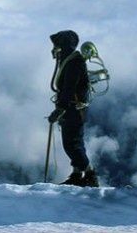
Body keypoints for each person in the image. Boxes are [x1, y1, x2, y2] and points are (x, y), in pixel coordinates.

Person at [47, 30, 99, 187]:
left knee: (72, 144)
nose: (54, 49)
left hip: (73, 110)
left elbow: (69, 88)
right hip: (74, 109)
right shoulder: (71, 60)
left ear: (62, 46)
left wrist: (59, 110)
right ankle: (77, 174)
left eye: (56, 46)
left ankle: (89, 174)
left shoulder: (73, 62)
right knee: (75, 142)